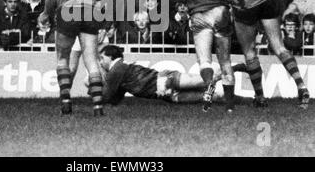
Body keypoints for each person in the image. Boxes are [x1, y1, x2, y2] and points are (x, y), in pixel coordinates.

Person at [38, 0, 110, 116]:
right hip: (90, 11)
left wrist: (46, 12)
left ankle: (66, 102)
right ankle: (97, 105)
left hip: (68, 11)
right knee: (91, 59)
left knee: (63, 57)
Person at [171, 0, 241, 112]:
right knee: (225, 60)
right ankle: (230, 107)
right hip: (220, 11)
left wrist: (185, 5)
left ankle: (210, 84)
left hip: (199, 14)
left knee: (204, 61)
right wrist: (231, 0)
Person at [97, 45, 247, 105]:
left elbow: (106, 97)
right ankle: (248, 101)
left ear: (111, 57)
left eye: (102, 58)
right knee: (212, 95)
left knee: (207, 82)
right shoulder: (119, 69)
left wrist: (93, 86)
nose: (101, 61)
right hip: (167, 91)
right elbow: (115, 99)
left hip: (165, 83)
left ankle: (237, 67)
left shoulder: (116, 69)